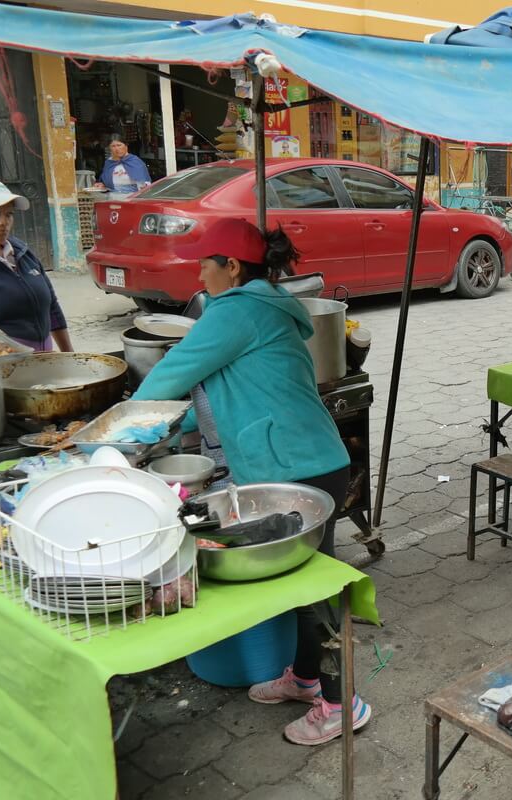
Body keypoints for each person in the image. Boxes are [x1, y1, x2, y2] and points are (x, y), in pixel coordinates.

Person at [132, 218, 370, 746]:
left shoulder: (238, 310)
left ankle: (340, 703)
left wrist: (122, 430)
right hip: (302, 460)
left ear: (232, 266)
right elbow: (227, 391)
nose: (198, 273)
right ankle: (307, 680)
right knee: (301, 584)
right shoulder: (263, 307)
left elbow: (172, 373)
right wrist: (171, 433)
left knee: (313, 591)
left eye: (204, 263)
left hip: (298, 467)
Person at [0, 176, 72, 352]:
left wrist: (70, 356)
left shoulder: (21, 251)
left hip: (45, 367)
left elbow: (52, 307)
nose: (3, 222)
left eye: (9, 214)